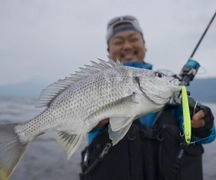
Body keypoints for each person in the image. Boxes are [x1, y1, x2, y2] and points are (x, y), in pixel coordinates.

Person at [79, 15, 215, 180]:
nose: (127, 46)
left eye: (133, 39)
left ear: (145, 46)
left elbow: (207, 136)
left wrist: (202, 124)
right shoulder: (95, 86)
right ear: (109, 51)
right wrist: (90, 123)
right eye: (118, 41)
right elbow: (81, 128)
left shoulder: (167, 86)